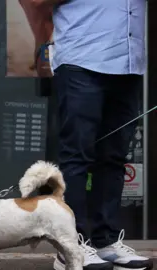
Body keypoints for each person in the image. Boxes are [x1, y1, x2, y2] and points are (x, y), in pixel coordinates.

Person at [26, 0, 153, 270]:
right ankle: (70, 246)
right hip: (82, 59)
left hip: (129, 61)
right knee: (77, 156)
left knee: (114, 156)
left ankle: (105, 241)